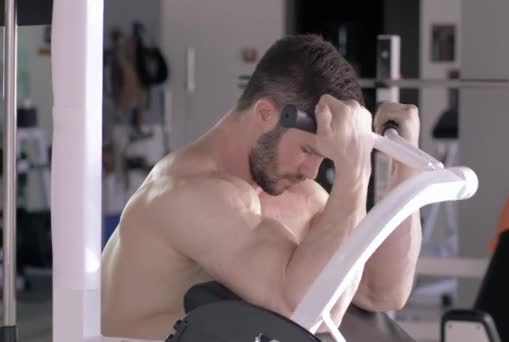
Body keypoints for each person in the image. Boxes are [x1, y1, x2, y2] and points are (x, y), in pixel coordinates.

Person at [101, 34, 422, 340]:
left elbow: (381, 290)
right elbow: (302, 312)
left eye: (324, 158)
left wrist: (406, 168)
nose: (312, 173)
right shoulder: (185, 194)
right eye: (308, 151)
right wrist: (355, 167)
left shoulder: (297, 193)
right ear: (265, 113)